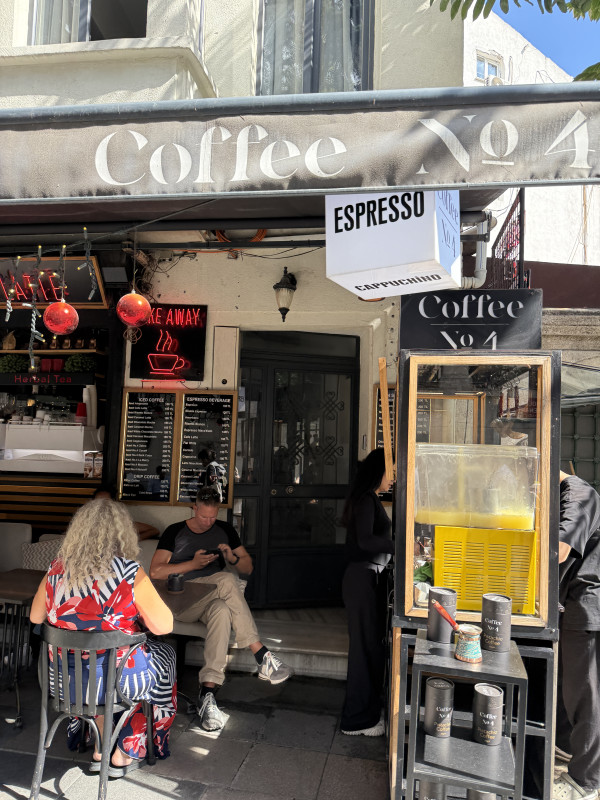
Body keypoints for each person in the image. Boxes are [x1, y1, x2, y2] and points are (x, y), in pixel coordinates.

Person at [30, 498, 177, 777]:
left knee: (98, 665)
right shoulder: (129, 572)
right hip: (116, 684)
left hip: (62, 683)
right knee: (164, 655)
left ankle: (100, 745)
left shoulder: (57, 569)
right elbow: (163, 626)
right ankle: (125, 752)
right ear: (123, 533)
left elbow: (36, 618)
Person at [149, 486, 292, 732]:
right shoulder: (175, 531)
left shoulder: (225, 530)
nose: (208, 521)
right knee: (226, 580)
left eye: (213, 516)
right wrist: (192, 564)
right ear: (194, 508)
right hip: (181, 600)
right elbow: (155, 571)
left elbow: (247, 567)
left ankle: (207, 694)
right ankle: (261, 654)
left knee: (223, 610)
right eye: (203, 516)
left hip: (210, 599)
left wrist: (231, 557)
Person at [340, 448, 394, 737]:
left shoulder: (370, 498)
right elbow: (365, 540)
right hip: (362, 580)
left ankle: (367, 713)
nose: (392, 477)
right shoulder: (366, 499)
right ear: (378, 471)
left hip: (368, 579)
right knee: (363, 650)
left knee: (371, 647)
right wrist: (400, 546)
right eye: (390, 471)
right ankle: (356, 721)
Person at [554, 470, 600, 800]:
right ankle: (567, 749)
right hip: (571, 605)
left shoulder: (578, 494)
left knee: (586, 695)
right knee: (570, 687)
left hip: (585, 606)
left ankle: (585, 781)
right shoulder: (565, 495)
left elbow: (559, 549)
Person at [93, 486, 160, 540]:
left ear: (113, 503)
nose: (101, 505)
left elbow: (154, 531)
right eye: (97, 501)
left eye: (106, 502)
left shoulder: (120, 523)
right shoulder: (87, 523)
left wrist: (132, 541)